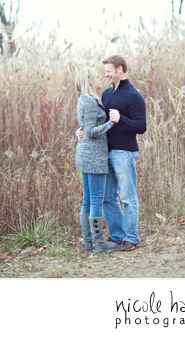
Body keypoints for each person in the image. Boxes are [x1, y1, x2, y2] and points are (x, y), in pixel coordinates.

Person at [77, 54, 146, 251]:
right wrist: (80, 130)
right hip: (104, 154)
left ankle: (131, 237)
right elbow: (96, 121)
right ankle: (117, 236)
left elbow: (141, 126)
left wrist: (121, 119)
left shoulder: (134, 95)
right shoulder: (106, 95)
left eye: (109, 72)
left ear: (120, 70)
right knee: (108, 197)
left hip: (124, 152)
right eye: (104, 72)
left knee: (127, 196)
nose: (106, 75)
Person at [73, 66, 119, 253]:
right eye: (97, 77)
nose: (101, 79)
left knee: (88, 200)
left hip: (85, 155)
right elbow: (91, 132)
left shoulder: (83, 100)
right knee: (96, 200)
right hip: (93, 157)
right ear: (90, 81)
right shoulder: (91, 102)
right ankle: (99, 243)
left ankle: (88, 243)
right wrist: (111, 123)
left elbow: (85, 126)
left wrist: (80, 130)